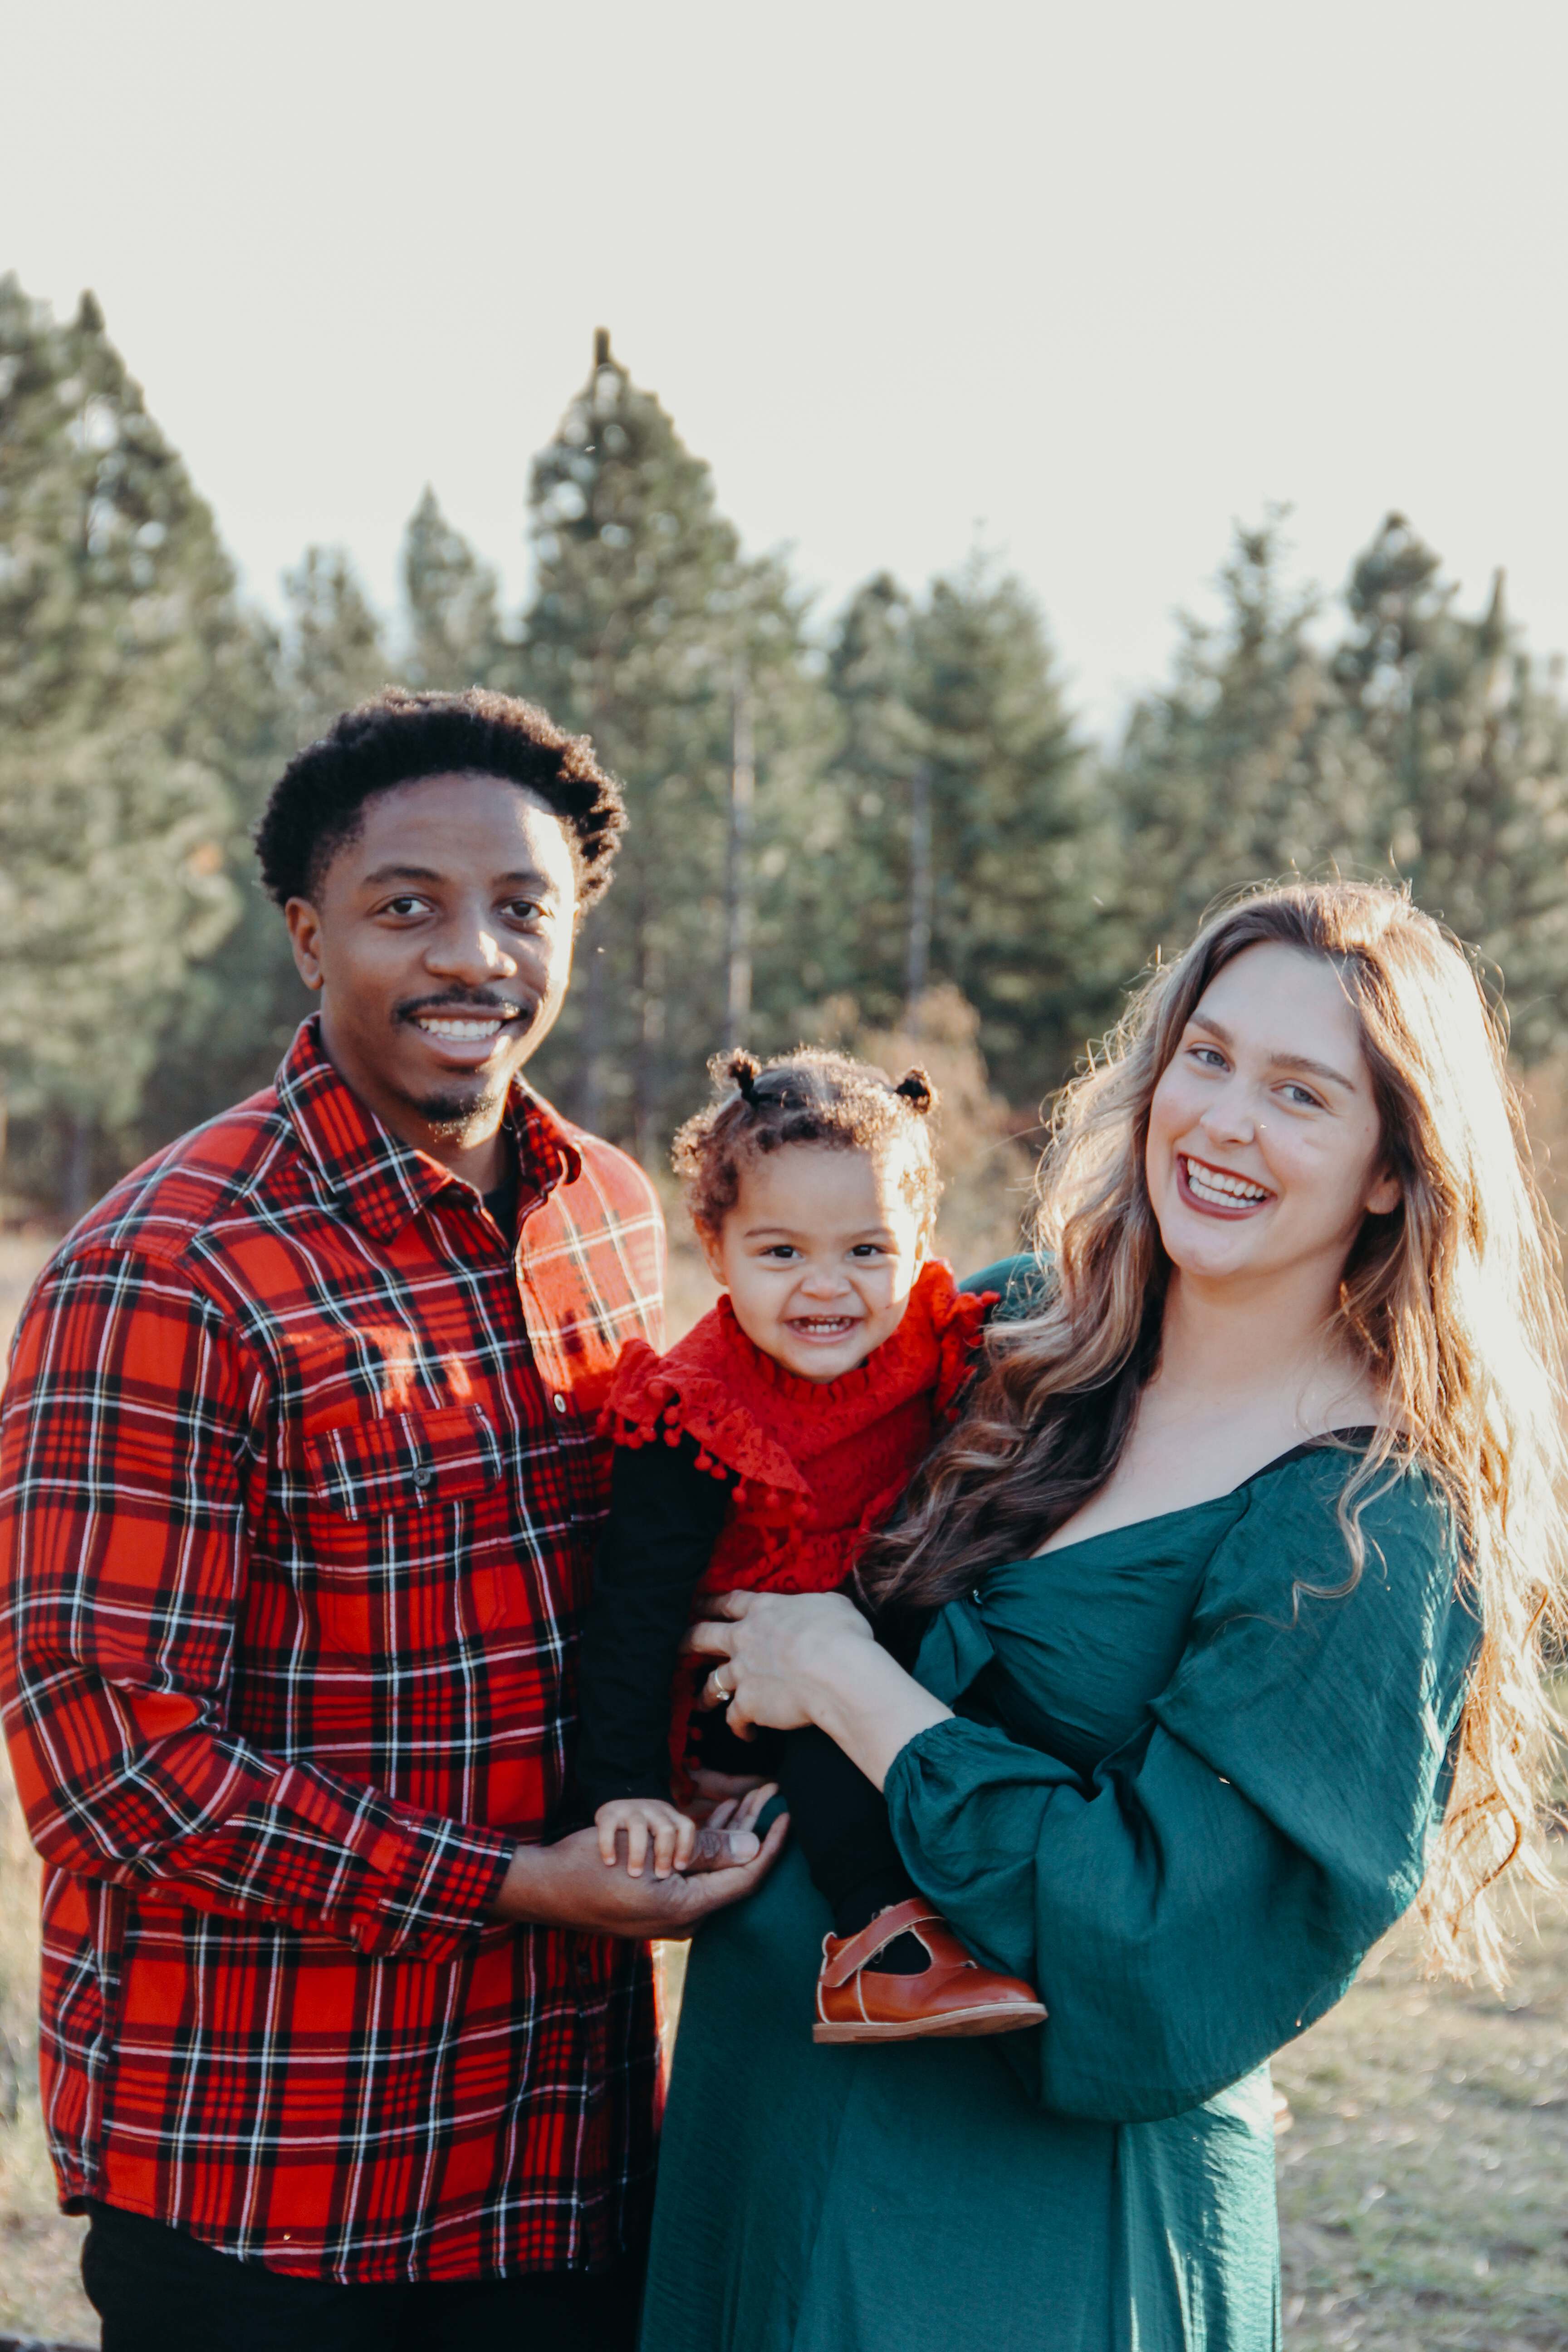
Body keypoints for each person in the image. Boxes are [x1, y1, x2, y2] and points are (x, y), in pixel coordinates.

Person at [639, 880, 1568, 2352]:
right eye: (1204, 1056)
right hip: (763, 2113)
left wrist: (847, 1680)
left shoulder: (1364, 1521)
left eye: (1299, 1092)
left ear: (1392, 1166)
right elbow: (731, 1454)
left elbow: (1162, 1940)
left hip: (1022, 2228)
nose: (1221, 1120)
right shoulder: (1010, 1335)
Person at [0, 687, 782, 2352]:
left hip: (563, 2155)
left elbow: (623, 1598)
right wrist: (514, 1882)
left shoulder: (612, 1219)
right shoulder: (168, 1268)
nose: (471, 957)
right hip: (273, 2175)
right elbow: (112, 1767)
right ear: (307, 936)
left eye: (523, 907)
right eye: (404, 907)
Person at [564, 1047, 1044, 2042]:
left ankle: (1030, 1886)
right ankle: (878, 1947)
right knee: (827, 1729)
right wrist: (627, 1791)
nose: (827, 1289)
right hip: (753, 1673)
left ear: (919, 1241)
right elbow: (633, 1616)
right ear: (716, 1242)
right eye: (782, 1254)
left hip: (884, 1618)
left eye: (868, 1252)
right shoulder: (693, 1415)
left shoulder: (937, 1346)